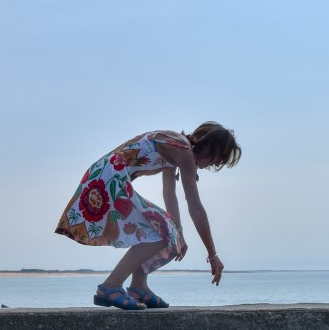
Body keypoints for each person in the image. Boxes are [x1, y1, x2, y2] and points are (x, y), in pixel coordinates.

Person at [55, 122, 241, 310]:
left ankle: (139, 287)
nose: (214, 164)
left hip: (107, 175)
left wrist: (178, 231)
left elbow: (169, 194)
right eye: (218, 158)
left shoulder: (177, 148)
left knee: (166, 231)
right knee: (162, 231)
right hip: (109, 177)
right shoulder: (183, 150)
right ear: (210, 147)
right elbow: (195, 207)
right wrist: (212, 254)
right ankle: (110, 286)